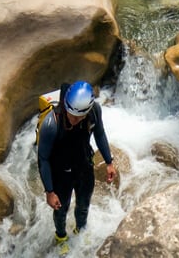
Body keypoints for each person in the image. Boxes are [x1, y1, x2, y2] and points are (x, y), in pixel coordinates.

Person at [37, 80, 118, 254]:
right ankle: (61, 236)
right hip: (61, 173)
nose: (74, 119)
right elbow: (43, 159)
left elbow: (100, 134)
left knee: (83, 205)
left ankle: (80, 230)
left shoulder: (94, 111)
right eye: (71, 115)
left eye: (79, 117)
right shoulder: (52, 124)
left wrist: (109, 162)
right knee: (61, 209)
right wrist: (50, 192)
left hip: (84, 167)